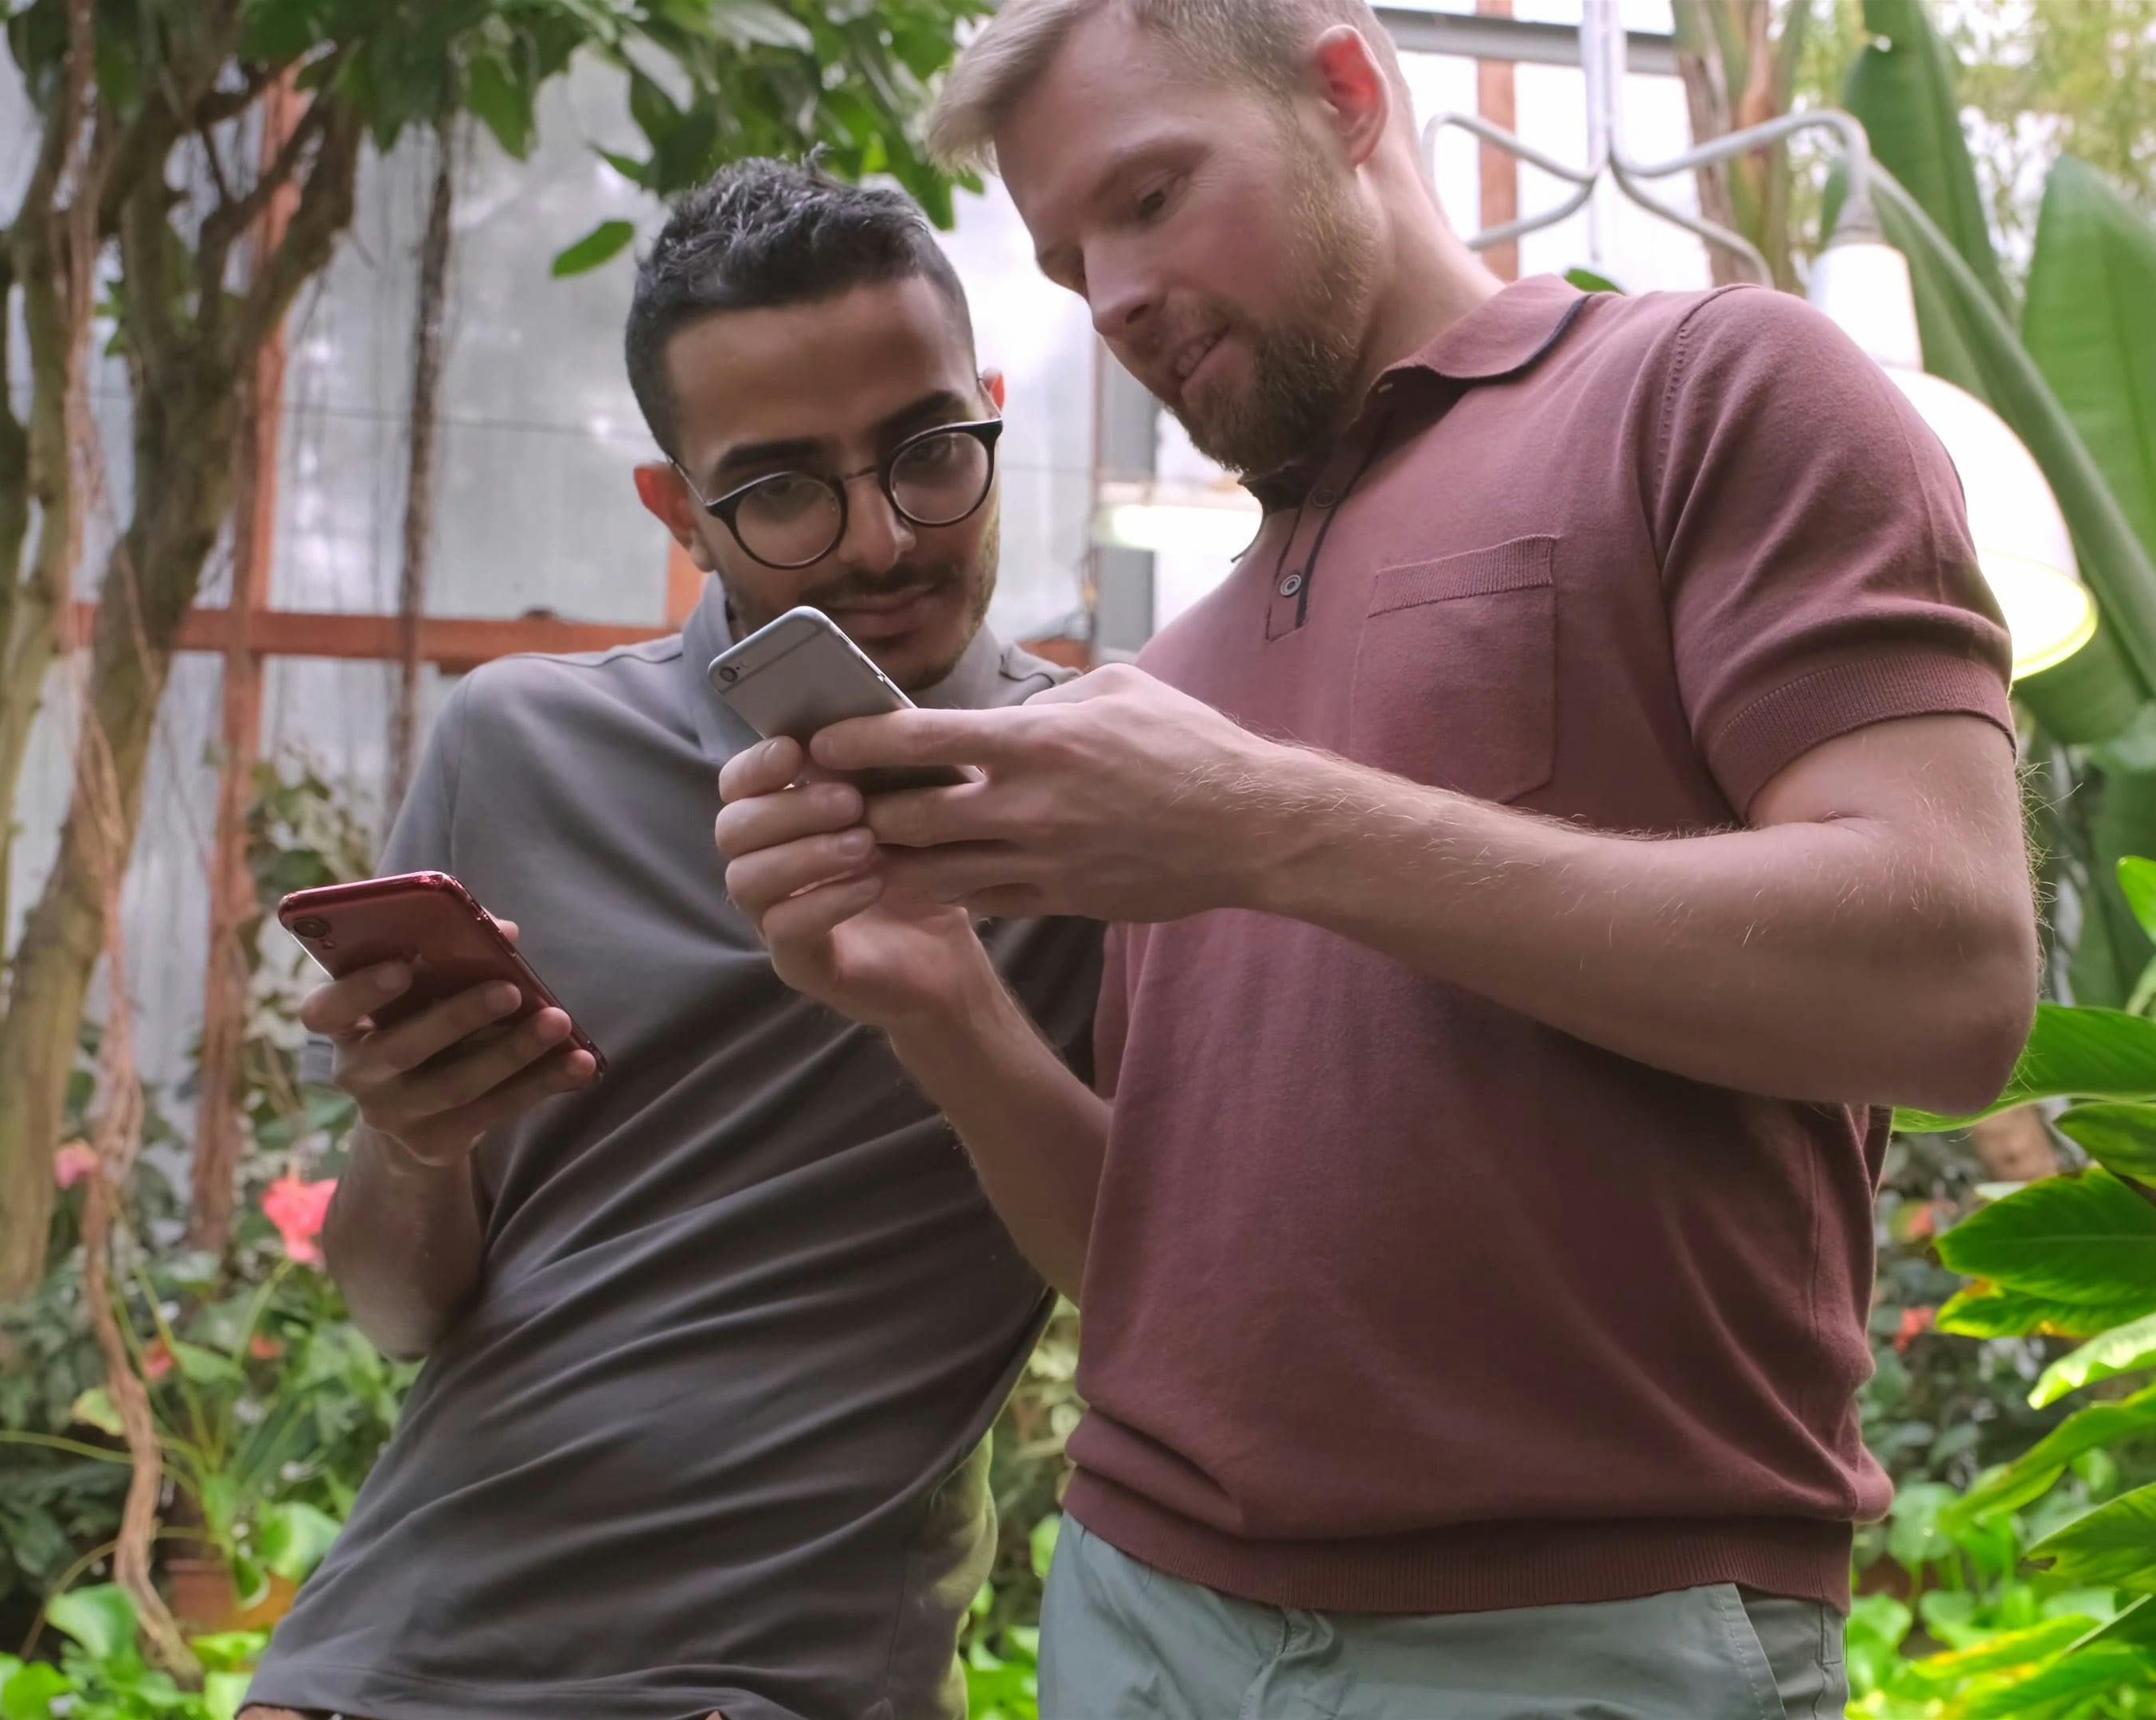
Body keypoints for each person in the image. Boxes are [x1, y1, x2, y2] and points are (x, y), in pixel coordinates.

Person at [711, 0, 2042, 1714]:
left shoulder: (1715, 389)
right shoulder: (1176, 678)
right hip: (1135, 1613)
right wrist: (940, 1003)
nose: (1109, 298)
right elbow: (1147, 1284)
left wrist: (1267, 826)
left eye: (1149, 197)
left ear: (1347, 95)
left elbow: (1952, 979)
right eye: (1066, 262)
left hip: (1581, 1633)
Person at [239, 157, 1101, 1720]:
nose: (883, 544)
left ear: (987, 411)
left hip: (765, 1679)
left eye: (926, 453)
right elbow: (393, 1310)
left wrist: (948, 1001)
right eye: (781, 490)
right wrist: (418, 1147)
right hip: (379, 1660)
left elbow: (1149, 1277)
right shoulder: (521, 751)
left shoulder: (1103, 799)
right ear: (679, 511)